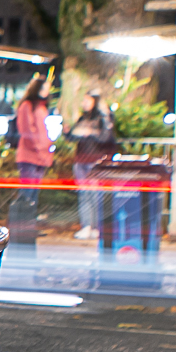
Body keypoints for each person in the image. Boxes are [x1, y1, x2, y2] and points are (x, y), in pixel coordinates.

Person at [69, 87, 117, 241]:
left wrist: (91, 133)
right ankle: (87, 226)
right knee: (84, 194)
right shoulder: (83, 118)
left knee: (96, 195)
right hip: (81, 160)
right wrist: (69, 132)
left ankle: (96, 227)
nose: (84, 103)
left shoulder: (103, 118)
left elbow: (106, 138)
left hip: (95, 161)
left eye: (87, 100)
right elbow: (71, 137)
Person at [14, 72, 55, 232]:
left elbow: (42, 131)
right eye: (45, 87)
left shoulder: (41, 107)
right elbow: (27, 130)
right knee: (27, 194)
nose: (47, 91)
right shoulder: (27, 106)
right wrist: (39, 147)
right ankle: (22, 227)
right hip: (30, 156)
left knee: (33, 195)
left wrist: (47, 147)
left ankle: (29, 227)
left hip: (41, 156)